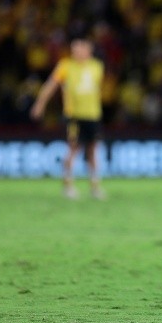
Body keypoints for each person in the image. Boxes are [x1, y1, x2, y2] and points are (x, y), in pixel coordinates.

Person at [30, 36, 105, 200]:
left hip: (93, 115)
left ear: (88, 50)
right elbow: (51, 86)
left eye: (79, 48)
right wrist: (40, 104)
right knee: (73, 149)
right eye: (74, 49)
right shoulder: (65, 66)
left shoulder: (97, 67)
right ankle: (68, 186)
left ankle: (95, 187)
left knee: (93, 150)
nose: (76, 52)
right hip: (74, 116)